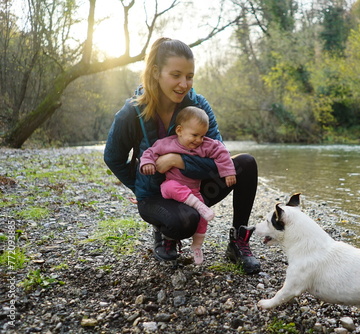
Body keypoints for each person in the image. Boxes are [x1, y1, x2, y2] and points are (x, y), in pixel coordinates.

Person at [103, 37, 260, 274]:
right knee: (184, 222)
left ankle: (238, 242)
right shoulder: (131, 113)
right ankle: (164, 229)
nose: (184, 84)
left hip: (195, 188)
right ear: (156, 72)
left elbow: (220, 157)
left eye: (189, 76)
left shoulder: (199, 107)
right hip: (157, 196)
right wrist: (140, 186)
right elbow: (113, 158)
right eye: (176, 75)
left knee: (246, 164)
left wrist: (179, 161)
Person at [139, 106, 237, 265]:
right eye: (194, 135)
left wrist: (228, 172)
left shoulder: (204, 145)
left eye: (202, 136)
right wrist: (147, 164)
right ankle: (196, 209)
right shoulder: (167, 144)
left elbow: (221, 152)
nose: (198, 140)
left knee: (202, 219)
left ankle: (197, 246)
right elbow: (150, 152)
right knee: (170, 186)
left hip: (193, 191)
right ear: (179, 130)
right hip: (171, 189)